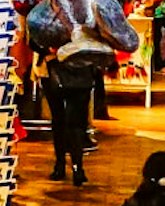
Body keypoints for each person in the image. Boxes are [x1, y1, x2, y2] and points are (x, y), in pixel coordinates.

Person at [44, 34, 113, 185]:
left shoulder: (48, 12)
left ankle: (62, 165)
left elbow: (36, 39)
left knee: (61, 121)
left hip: (57, 66)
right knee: (74, 123)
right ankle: (76, 167)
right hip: (80, 69)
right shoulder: (88, 12)